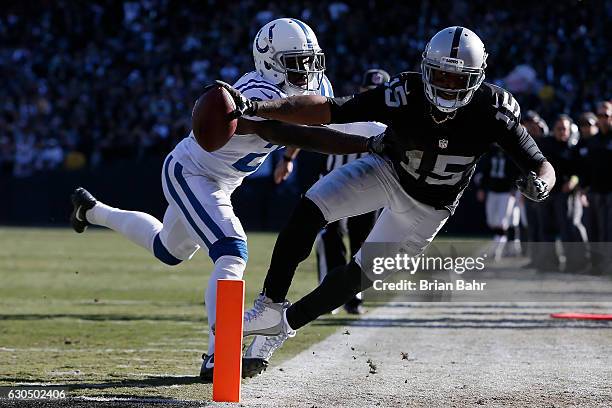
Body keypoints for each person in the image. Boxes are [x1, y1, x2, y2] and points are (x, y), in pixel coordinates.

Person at [217, 26, 555, 359]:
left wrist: (540, 185)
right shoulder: (404, 93)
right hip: (387, 170)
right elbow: (332, 108)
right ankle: (270, 304)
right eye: (439, 75)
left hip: (429, 209)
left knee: (357, 276)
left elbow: (541, 163)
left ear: (477, 78)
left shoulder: (494, 111)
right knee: (310, 207)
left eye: (458, 79)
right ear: (426, 69)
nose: (447, 86)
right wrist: (259, 108)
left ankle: (283, 326)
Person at [69, 18, 342, 381]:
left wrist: (289, 158)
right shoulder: (254, 93)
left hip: (224, 181)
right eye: (295, 60)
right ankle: (219, 353)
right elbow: (292, 122)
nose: (306, 70)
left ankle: (92, 210)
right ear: (269, 61)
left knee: (168, 250)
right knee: (232, 251)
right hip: (192, 172)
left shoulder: (316, 84)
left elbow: (307, 118)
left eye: (309, 60)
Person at [315, 69, 390, 315]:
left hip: (368, 189)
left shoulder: (392, 122)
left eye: (377, 93)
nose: (372, 97)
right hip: (333, 186)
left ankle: (353, 295)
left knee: (362, 243)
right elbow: (315, 127)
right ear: (361, 91)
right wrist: (288, 157)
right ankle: (329, 294)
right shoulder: (347, 109)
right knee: (330, 239)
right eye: (369, 92)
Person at [536, 115, 588, 271]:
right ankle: (550, 264)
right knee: (546, 230)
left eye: (564, 128)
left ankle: (574, 264)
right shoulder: (545, 146)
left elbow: (579, 172)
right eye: (558, 129)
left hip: (565, 194)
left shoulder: (573, 148)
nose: (561, 132)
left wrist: (572, 181)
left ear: (569, 130)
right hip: (546, 193)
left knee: (568, 230)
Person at [476, 144, 521, 260]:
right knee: (492, 222)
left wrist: (514, 189)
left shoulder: (512, 152)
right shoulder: (491, 152)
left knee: (502, 223)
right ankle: (500, 246)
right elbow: (485, 171)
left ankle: (496, 251)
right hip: (492, 191)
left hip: (506, 193)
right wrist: (481, 188)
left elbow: (517, 172)